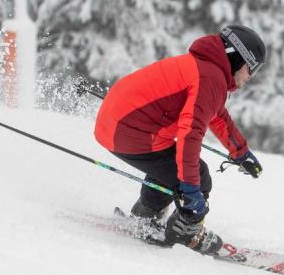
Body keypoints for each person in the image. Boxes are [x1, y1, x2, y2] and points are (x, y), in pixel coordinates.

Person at [93, 25, 266, 254]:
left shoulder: (205, 71)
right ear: (235, 57)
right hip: (128, 131)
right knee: (198, 176)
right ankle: (185, 232)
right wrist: (192, 190)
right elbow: (190, 135)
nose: (250, 76)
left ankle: (145, 216)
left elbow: (217, 115)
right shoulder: (210, 78)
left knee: (172, 167)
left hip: (116, 124)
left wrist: (241, 152)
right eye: (250, 68)